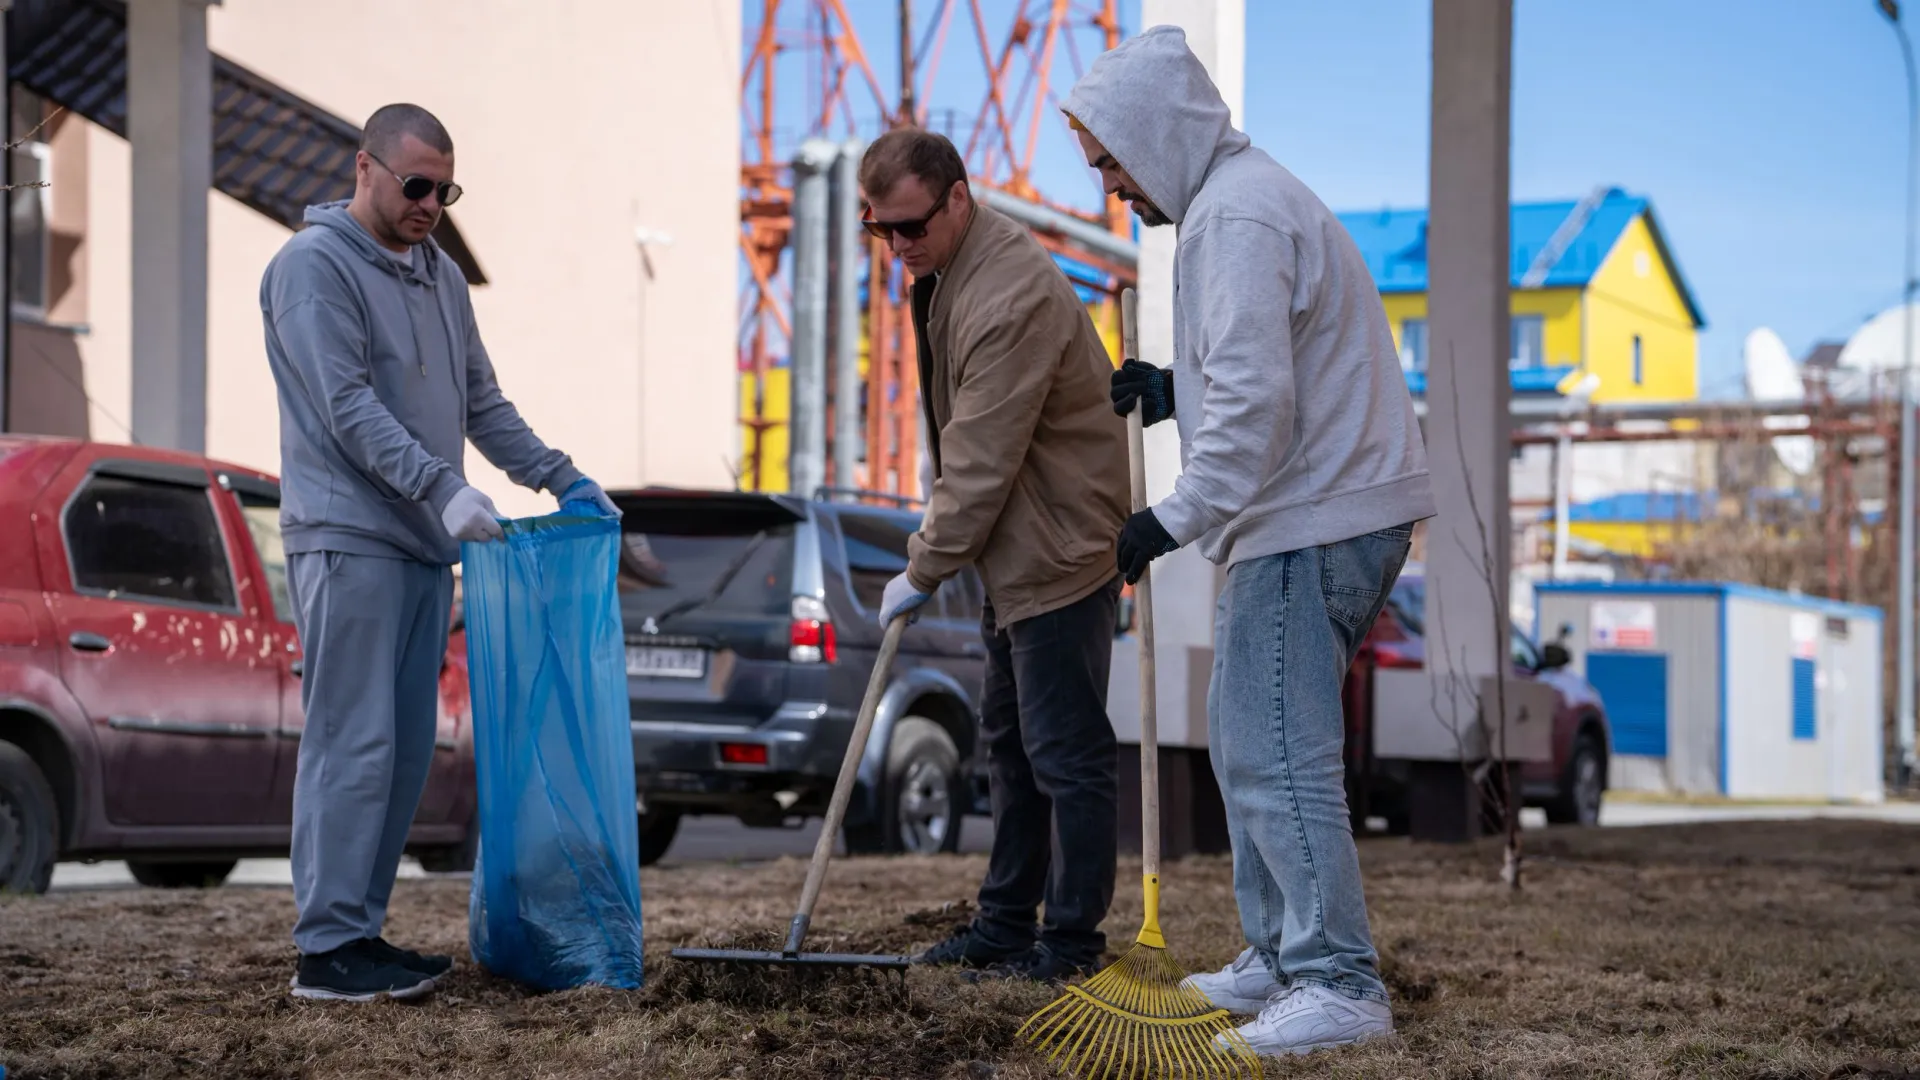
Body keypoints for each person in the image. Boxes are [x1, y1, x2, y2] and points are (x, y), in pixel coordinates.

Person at [1064, 27, 1437, 1057]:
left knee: (1278, 752)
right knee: (1245, 741)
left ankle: (1338, 983)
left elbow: (1262, 406)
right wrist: (1180, 390)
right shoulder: (1238, 204)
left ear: (1159, 133)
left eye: (1113, 162)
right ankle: (1281, 955)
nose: (1112, 188)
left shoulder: (1235, 215)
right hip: (1309, 509)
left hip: (1313, 518)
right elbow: (1276, 371)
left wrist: (1165, 521)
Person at [259, 103, 620, 1003]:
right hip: (349, 537)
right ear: (365, 169)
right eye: (416, 185)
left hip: (427, 545)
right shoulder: (313, 268)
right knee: (355, 739)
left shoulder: (440, 278)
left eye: (444, 190)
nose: (430, 204)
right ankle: (326, 947)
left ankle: (361, 934)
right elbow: (347, 408)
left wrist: (563, 478)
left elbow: (482, 403)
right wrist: (442, 487)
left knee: (408, 747)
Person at [861, 127, 1131, 983]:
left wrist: (923, 565)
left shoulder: (1005, 295)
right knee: (1009, 751)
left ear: (959, 199)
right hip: (1014, 552)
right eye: (881, 231)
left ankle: (1070, 945)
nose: (899, 247)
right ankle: (1007, 925)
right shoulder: (951, 275)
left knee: (1065, 755)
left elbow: (979, 457)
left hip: (1058, 550)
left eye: (912, 228)